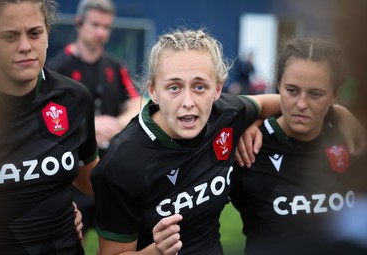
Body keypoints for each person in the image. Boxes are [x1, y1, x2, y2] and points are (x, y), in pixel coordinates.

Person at [90, 28, 359, 255]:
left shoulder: (228, 114)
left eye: (200, 86)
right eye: (173, 87)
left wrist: (338, 112)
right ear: (152, 91)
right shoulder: (122, 161)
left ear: (218, 89)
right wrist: (155, 251)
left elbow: (282, 103)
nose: (187, 102)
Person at [0, 0, 99, 254]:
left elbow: (93, 182)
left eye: (35, 33)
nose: (25, 47)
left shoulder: (74, 98)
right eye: (9, 36)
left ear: (48, 33)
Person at [230, 37, 367, 255]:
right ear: (277, 86)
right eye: (292, 90)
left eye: (315, 94)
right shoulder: (247, 147)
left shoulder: (353, 141)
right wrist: (246, 121)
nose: (302, 104)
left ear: (336, 95)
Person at [46, 0, 141, 237]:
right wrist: (89, 125)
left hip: (109, 171)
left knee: (116, 242)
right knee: (69, 241)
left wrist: (117, 123)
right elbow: (44, 117)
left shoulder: (116, 66)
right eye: (95, 24)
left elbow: (137, 104)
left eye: (106, 27)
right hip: (71, 176)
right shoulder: (56, 68)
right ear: (79, 23)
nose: (101, 32)